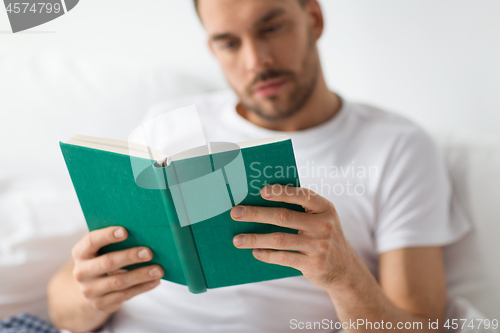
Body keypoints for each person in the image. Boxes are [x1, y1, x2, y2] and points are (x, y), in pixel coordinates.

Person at [47, 0, 471, 332]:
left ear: (314, 18)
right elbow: (63, 308)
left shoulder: (397, 147)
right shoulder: (169, 124)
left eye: (271, 27)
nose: (256, 59)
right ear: (213, 48)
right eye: (229, 42)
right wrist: (90, 294)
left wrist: (345, 276)